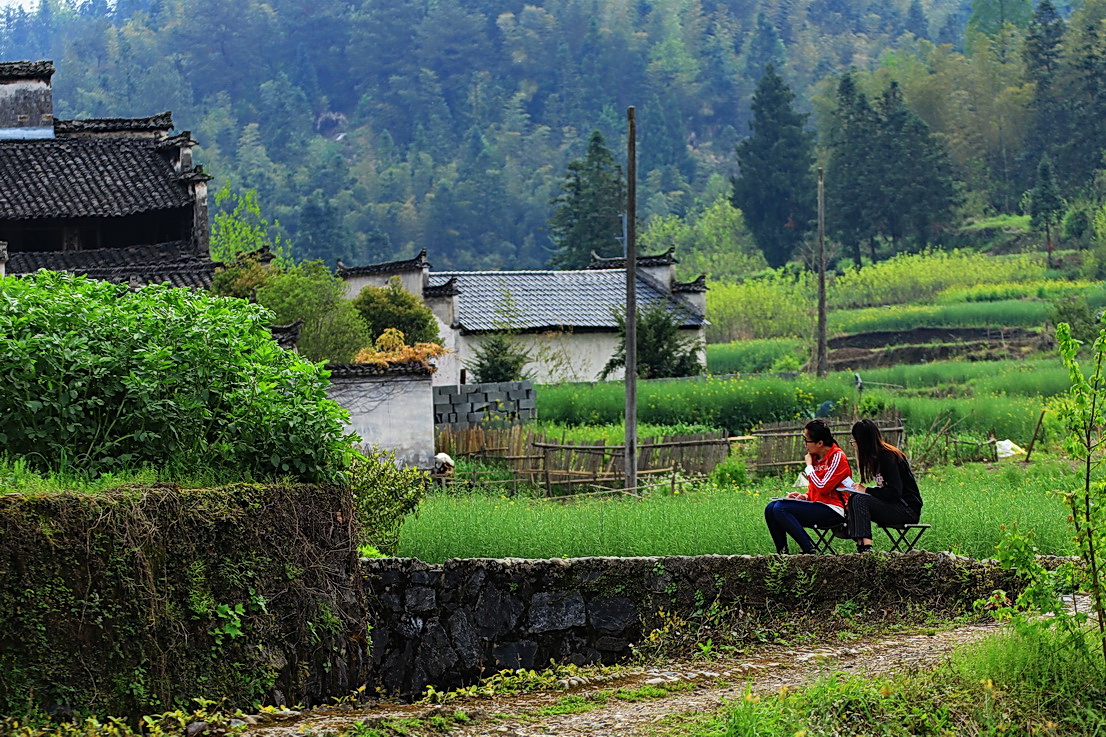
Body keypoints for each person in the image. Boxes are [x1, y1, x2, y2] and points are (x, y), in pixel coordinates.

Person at [764, 419, 854, 554]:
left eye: (806, 440)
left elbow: (824, 488)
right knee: (770, 508)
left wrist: (809, 468)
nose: (804, 444)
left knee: (780, 508)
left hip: (833, 510)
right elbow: (816, 488)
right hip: (817, 506)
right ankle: (782, 555)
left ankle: (809, 551)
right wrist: (805, 496)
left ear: (820, 443)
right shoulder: (815, 457)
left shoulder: (837, 457)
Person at [845, 419, 923, 553]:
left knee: (860, 499)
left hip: (907, 509)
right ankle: (860, 545)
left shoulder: (888, 456)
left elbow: (894, 492)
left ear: (862, 441)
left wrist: (867, 490)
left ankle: (867, 549)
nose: (854, 444)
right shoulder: (876, 457)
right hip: (896, 505)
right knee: (854, 499)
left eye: (854, 440)